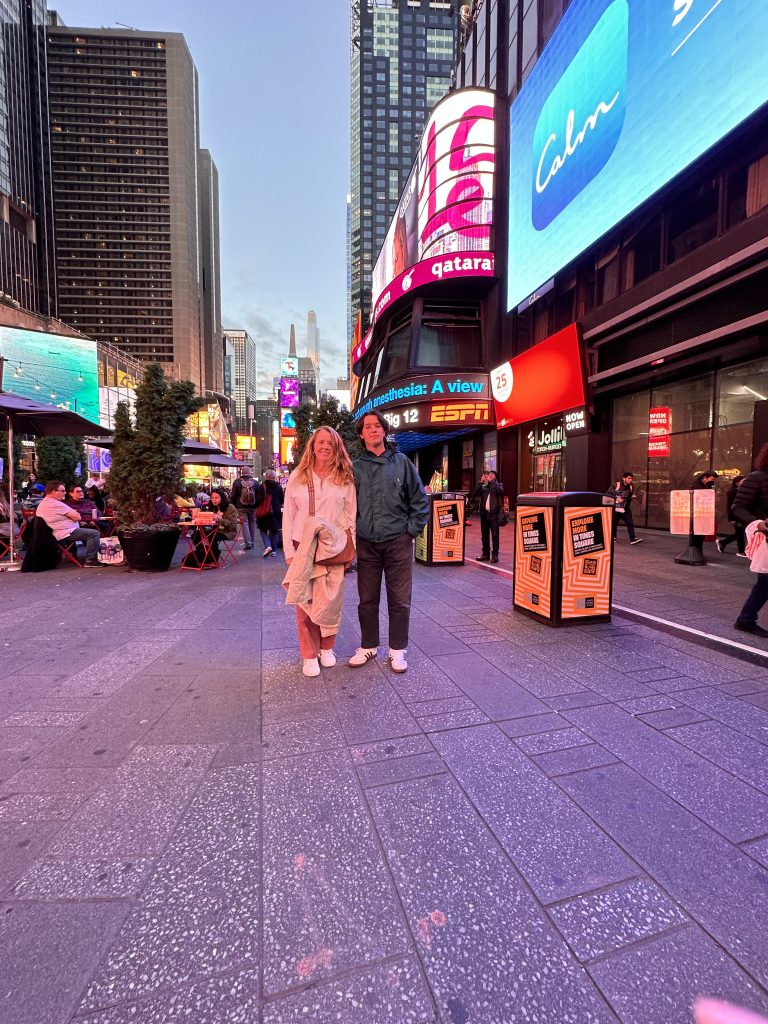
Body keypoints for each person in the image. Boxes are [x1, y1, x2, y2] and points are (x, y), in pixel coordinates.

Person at [350, 410, 429, 674]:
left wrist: (410, 532)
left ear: (384, 430)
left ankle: (397, 650)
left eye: (377, 426)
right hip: (367, 542)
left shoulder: (402, 462)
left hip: (398, 541)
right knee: (367, 599)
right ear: (361, 435)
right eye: (367, 427)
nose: (373, 430)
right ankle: (368, 646)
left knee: (399, 599)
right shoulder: (355, 467)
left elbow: (419, 500)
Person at [282, 427, 356, 677]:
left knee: (332, 601)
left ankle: (327, 648)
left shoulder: (344, 477)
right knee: (304, 602)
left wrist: (351, 549)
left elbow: (350, 517)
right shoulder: (297, 476)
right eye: (321, 442)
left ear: (336, 448)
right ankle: (309, 654)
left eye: (330, 443)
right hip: (302, 546)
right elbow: (289, 516)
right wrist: (289, 551)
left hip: (333, 548)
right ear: (312, 446)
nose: (325, 447)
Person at [731, 444, 768, 637]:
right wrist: (759, 524)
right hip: (767, 536)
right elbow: (737, 507)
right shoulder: (757, 478)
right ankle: (745, 619)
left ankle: (745, 619)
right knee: (765, 582)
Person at [36, 479, 101, 566]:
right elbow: (77, 517)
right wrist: (72, 515)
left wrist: (71, 515)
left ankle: (97, 555)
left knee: (93, 528)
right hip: (64, 533)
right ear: (54, 492)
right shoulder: (56, 504)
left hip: (58, 531)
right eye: (63, 491)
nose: (65, 493)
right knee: (94, 534)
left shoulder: (46, 502)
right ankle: (90, 560)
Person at [473, 469, 504, 563]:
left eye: (492, 475)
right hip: (484, 514)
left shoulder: (499, 485)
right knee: (484, 535)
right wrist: (480, 482)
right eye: (488, 475)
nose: (489, 476)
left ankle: (495, 555)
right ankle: (485, 554)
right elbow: (475, 493)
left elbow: (501, 491)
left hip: (494, 514)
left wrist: (492, 481)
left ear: (495, 477)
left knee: (495, 535)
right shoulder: (484, 487)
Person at [716, 475, 748, 557]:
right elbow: (729, 506)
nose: (745, 482)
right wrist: (731, 518)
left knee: (739, 533)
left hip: (744, 515)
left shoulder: (745, 491)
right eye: (743, 481)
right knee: (740, 533)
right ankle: (741, 551)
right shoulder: (733, 492)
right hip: (736, 515)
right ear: (737, 483)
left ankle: (723, 542)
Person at [231, 467, 260, 551]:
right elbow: (259, 496)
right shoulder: (255, 483)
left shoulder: (237, 482)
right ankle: (252, 542)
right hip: (253, 507)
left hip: (240, 507)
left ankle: (248, 544)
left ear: (241, 473)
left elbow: (233, 496)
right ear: (250, 473)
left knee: (244, 524)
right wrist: (256, 505)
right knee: (252, 523)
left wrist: (233, 505)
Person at [610, 472, 643, 544]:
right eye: (629, 478)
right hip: (616, 508)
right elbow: (608, 494)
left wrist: (632, 497)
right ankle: (613, 537)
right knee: (614, 523)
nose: (630, 480)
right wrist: (616, 498)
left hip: (625, 508)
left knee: (630, 523)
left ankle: (633, 539)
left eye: (631, 478)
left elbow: (629, 496)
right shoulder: (617, 485)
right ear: (624, 478)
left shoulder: (631, 487)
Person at [692, 469, 718, 558]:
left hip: (704, 512)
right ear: (705, 477)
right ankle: (696, 552)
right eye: (711, 479)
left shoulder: (706, 485)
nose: (712, 481)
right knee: (697, 534)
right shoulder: (697, 485)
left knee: (701, 534)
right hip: (698, 512)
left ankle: (699, 552)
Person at [258, 469, 283, 557]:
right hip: (276, 511)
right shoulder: (278, 486)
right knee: (274, 530)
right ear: (274, 476)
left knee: (263, 529)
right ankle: (274, 551)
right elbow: (282, 499)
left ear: (266, 476)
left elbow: (258, 499)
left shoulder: (262, 486)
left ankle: (268, 546)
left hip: (264, 511)